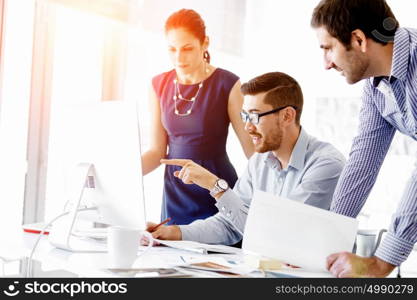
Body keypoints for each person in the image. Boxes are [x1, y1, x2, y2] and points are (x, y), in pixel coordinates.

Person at [146, 72, 345, 245]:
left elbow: (280, 234)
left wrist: (216, 186)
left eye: (255, 116)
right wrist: (173, 232)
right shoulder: (260, 162)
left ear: (287, 116)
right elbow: (230, 225)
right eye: (245, 116)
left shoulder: (326, 165)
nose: (248, 127)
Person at [311, 0, 417, 277]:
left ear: (358, 39)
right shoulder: (375, 85)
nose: (326, 64)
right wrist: (326, 243)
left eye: (328, 49)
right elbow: (363, 162)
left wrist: (382, 262)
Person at [141, 9, 254, 225]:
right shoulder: (158, 85)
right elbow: (157, 152)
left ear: (205, 43)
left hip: (215, 187)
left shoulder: (228, 84)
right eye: (172, 49)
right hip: (175, 191)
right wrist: (122, 175)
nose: (179, 58)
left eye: (187, 48)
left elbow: (251, 150)